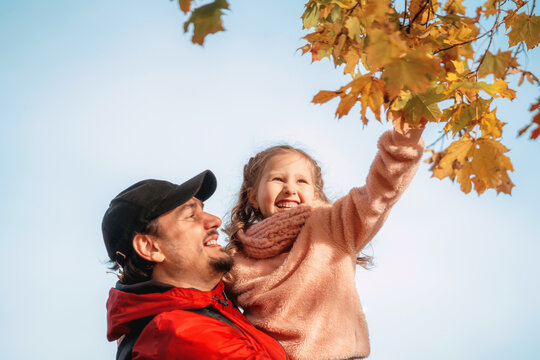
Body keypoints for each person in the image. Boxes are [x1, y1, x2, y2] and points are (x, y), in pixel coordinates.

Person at [224, 126, 424, 360]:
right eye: (278, 179)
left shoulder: (334, 227)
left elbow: (379, 194)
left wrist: (402, 145)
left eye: (302, 181)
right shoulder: (235, 258)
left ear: (316, 195)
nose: (290, 189)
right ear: (252, 197)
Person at [102, 170, 289, 359]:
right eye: (191, 215)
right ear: (150, 247)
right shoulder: (180, 333)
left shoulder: (210, 308)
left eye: (202, 209)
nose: (215, 220)